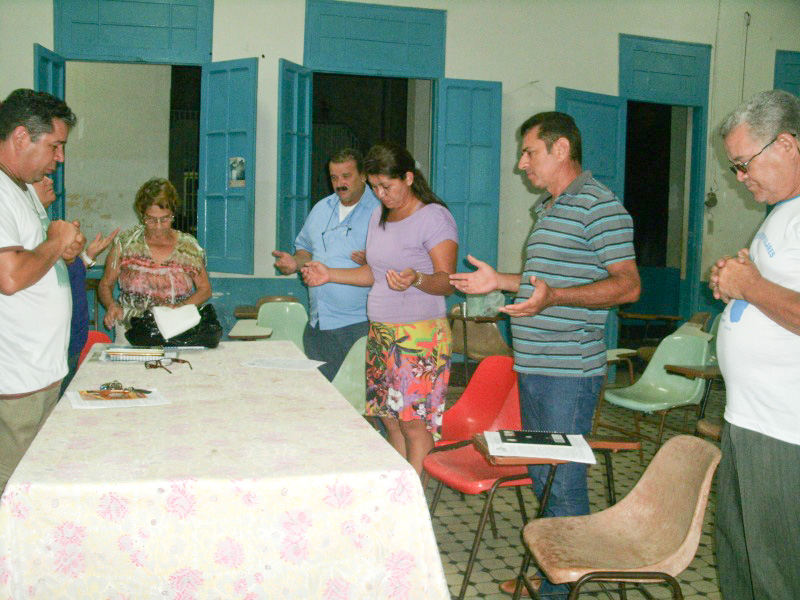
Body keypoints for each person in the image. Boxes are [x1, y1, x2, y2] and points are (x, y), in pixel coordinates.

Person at [450, 112, 640, 598]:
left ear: (560, 149)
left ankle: (562, 589)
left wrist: (555, 298)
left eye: (529, 152)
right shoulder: (551, 207)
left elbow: (627, 286)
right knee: (541, 473)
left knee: (562, 480)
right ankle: (553, 572)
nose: (521, 163)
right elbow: (542, 283)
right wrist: (498, 281)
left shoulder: (599, 206)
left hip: (568, 372)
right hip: (534, 366)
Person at [302, 143, 458, 476]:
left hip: (419, 337)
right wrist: (329, 274)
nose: (380, 194)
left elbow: (447, 281)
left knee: (413, 424)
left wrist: (417, 278)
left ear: (409, 178)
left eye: (386, 186)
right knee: (390, 420)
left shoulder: (434, 217)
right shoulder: (379, 216)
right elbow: (373, 273)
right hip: (381, 334)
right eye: (374, 187)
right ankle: (397, 492)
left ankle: (414, 499)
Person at [709, 89, 800, 600]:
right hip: (749, 418)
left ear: (786, 144)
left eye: (744, 164)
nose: (740, 178)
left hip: (786, 431)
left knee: (778, 575)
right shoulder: (783, 210)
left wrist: (750, 285)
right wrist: (735, 281)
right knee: (741, 562)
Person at [0, 89, 83, 492]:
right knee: (14, 489)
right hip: (17, 381)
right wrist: (55, 240)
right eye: (55, 145)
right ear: (21, 137)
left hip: (42, 371)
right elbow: (10, 277)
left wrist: (63, 250)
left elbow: (34, 257)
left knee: (34, 487)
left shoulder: (19, 188)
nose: (60, 157)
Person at [272, 148, 380, 380]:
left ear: (363, 175)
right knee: (321, 393)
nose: (340, 184)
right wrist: (295, 263)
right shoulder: (321, 208)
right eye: (334, 177)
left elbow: (391, 267)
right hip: (319, 324)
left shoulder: (381, 211)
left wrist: (374, 260)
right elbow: (305, 250)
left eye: (346, 176)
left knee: (358, 395)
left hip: (360, 324)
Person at [31, 175, 118, 393]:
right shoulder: (32, 232)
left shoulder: (47, 225)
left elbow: (61, 275)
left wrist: (86, 257)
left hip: (72, 341)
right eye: (40, 178)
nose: (49, 180)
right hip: (51, 347)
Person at [98, 177, 211, 342]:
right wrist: (111, 306)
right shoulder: (126, 243)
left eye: (165, 219)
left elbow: (205, 289)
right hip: (131, 329)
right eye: (151, 219)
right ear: (141, 215)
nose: (158, 226)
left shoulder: (188, 247)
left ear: (173, 214)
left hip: (176, 328)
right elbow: (105, 284)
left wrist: (178, 308)